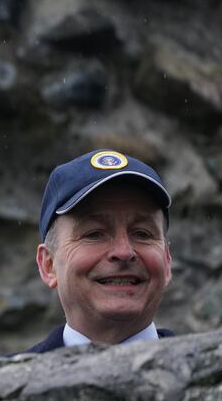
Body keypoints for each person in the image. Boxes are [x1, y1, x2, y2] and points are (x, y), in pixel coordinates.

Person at [26, 150, 174, 353]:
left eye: (142, 234)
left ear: (166, 262)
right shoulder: (1, 383)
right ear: (48, 265)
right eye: (94, 234)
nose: (123, 252)